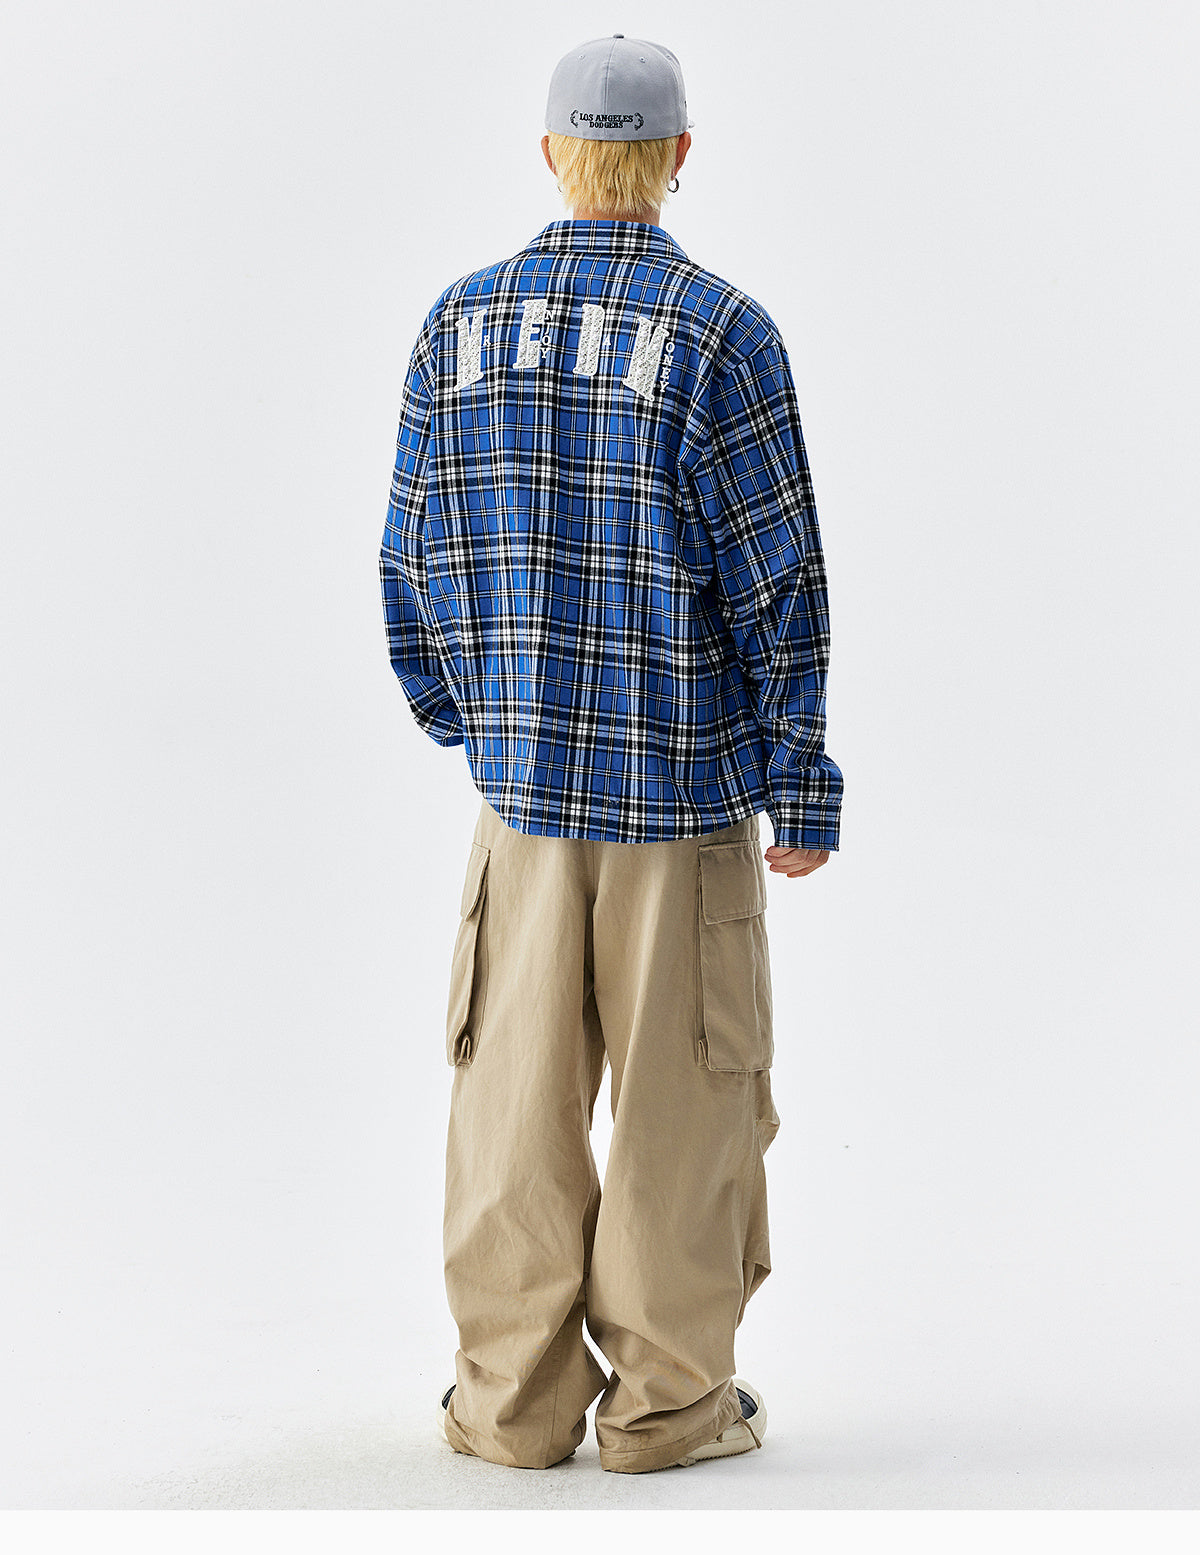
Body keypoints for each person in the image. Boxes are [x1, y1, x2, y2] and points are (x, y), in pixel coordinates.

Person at [379, 34, 843, 1474]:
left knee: (509, 1109)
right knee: (685, 1114)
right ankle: (667, 1411)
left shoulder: (459, 326)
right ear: (679, 156)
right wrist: (799, 780)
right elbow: (779, 583)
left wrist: (475, 720)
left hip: (520, 809)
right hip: (684, 804)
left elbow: (408, 564)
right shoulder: (724, 336)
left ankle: (509, 1409)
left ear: (550, 155)